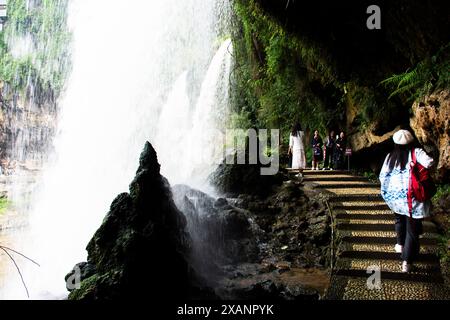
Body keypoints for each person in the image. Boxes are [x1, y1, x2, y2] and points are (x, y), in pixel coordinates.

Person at [379, 129, 434, 273]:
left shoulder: (390, 157)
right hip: (412, 199)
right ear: (411, 141)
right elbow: (430, 163)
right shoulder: (416, 153)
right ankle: (407, 262)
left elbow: (382, 176)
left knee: (399, 220)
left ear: (396, 143)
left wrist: (389, 193)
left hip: (395, 199)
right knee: (412, 230)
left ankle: (400, 246)